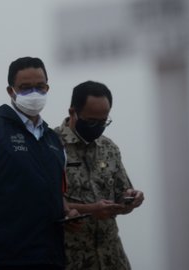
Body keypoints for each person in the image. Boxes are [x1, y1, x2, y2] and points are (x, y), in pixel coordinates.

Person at [0, 57, 77, 270]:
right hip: (8, 258)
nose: (34, 93)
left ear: (47, 87)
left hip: (52, 257)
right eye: (25, 88)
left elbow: (56, 194)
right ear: (11, 91)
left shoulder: (53, 140)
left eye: (40, 87)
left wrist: (69, 213)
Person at [54, 81, 144, 270]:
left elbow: (121, 197)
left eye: (103, 122)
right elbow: (42, 205)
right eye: (91, 121)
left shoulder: (109, 148)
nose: (97, 127)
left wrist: (131, 198)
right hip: (71, 259)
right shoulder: (50, 146)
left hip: (112, 258)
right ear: (72, 112)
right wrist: (91, 209)